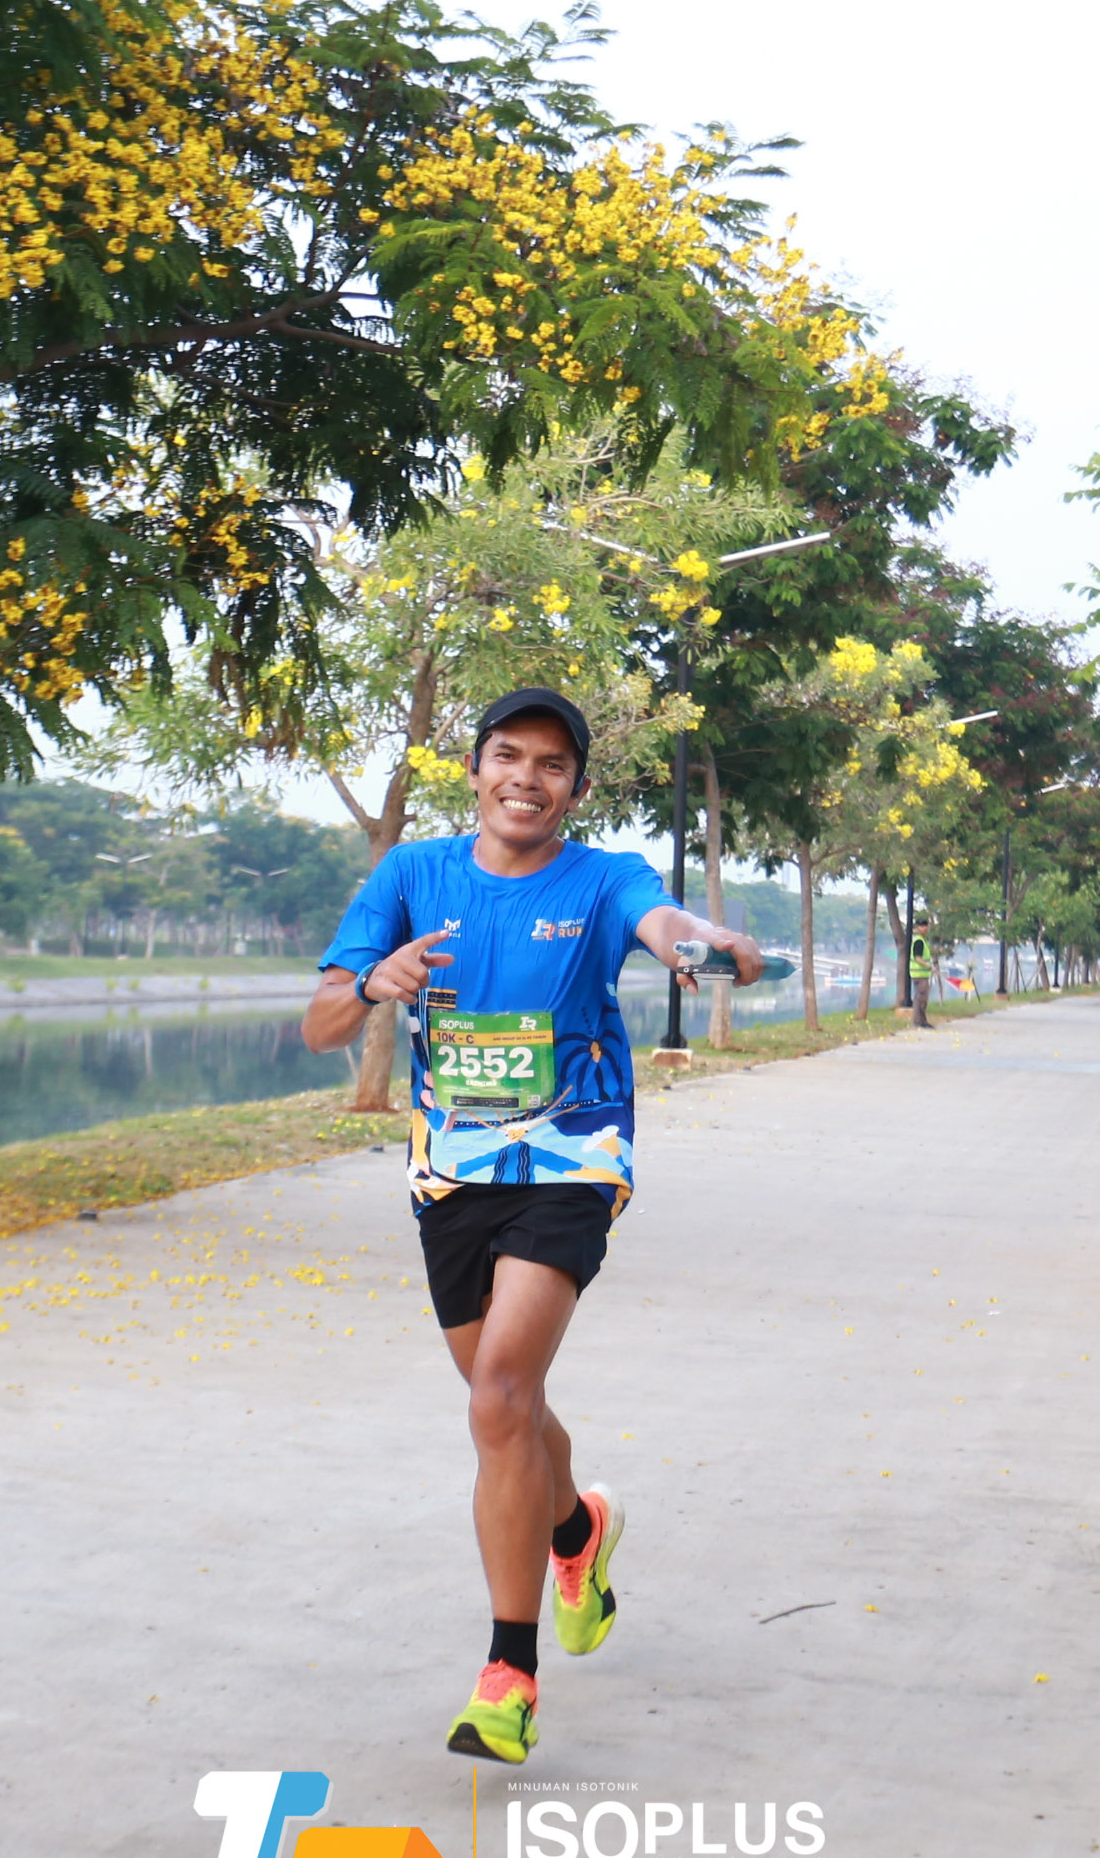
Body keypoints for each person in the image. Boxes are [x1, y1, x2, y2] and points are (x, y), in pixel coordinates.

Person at [306, 688, 765, 1765]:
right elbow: (321, 1021)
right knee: (505, 1408)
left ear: (577, 788)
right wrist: (374, 979)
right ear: (475, 770)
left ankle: (508, 1675)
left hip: (572, 1157)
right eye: (507, 756)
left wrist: (701, 940)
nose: (526, 777)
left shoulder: (603, 878)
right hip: (451, 1173)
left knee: (500, 1394)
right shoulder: (411, 875)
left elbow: (662, 921)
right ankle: (576, 1529)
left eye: (552, 764)